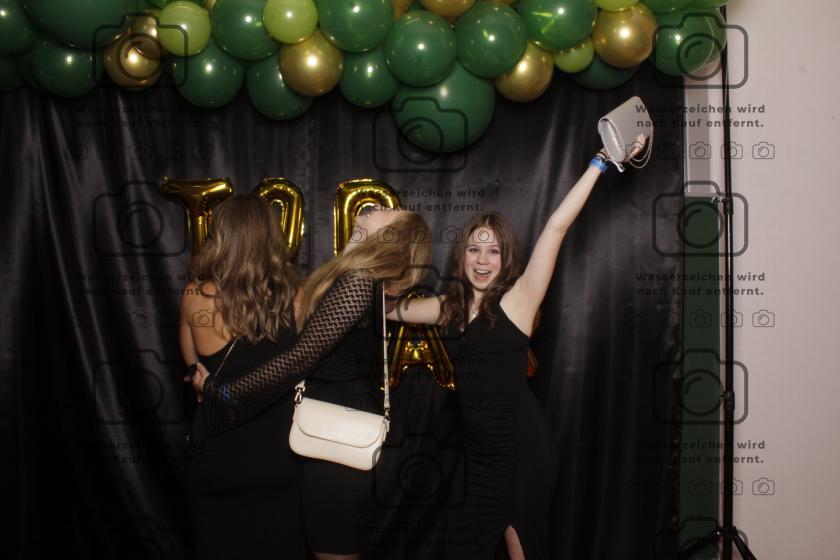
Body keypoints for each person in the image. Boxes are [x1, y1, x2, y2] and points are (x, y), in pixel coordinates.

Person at [386, 139, 647, 559]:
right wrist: (365, 266)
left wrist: (600, 162)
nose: (482, 260)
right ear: (462, 256)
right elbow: (391, 311)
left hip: (523, 452)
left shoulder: (518, 301)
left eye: (493, 251)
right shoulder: (450, 307)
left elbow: (556, 227)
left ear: (506, 259)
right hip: (478, 459)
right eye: (474, 249)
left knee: (521, 546)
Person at [194, 206, 432, 560]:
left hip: (337, 445)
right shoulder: (354, 276)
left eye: (393, 212)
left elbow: (301, 359)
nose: (384, 206)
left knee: (333, 549)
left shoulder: (359, 282)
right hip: (323, 437)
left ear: (392, 237)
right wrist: (356, 242)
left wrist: (224, 392)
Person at [179, 194, 304, 560]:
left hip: (217, 453)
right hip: (279, 454)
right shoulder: (295, 298)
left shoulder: (194, 295)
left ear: (220, 237)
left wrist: (206, 383)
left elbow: (193, 368)